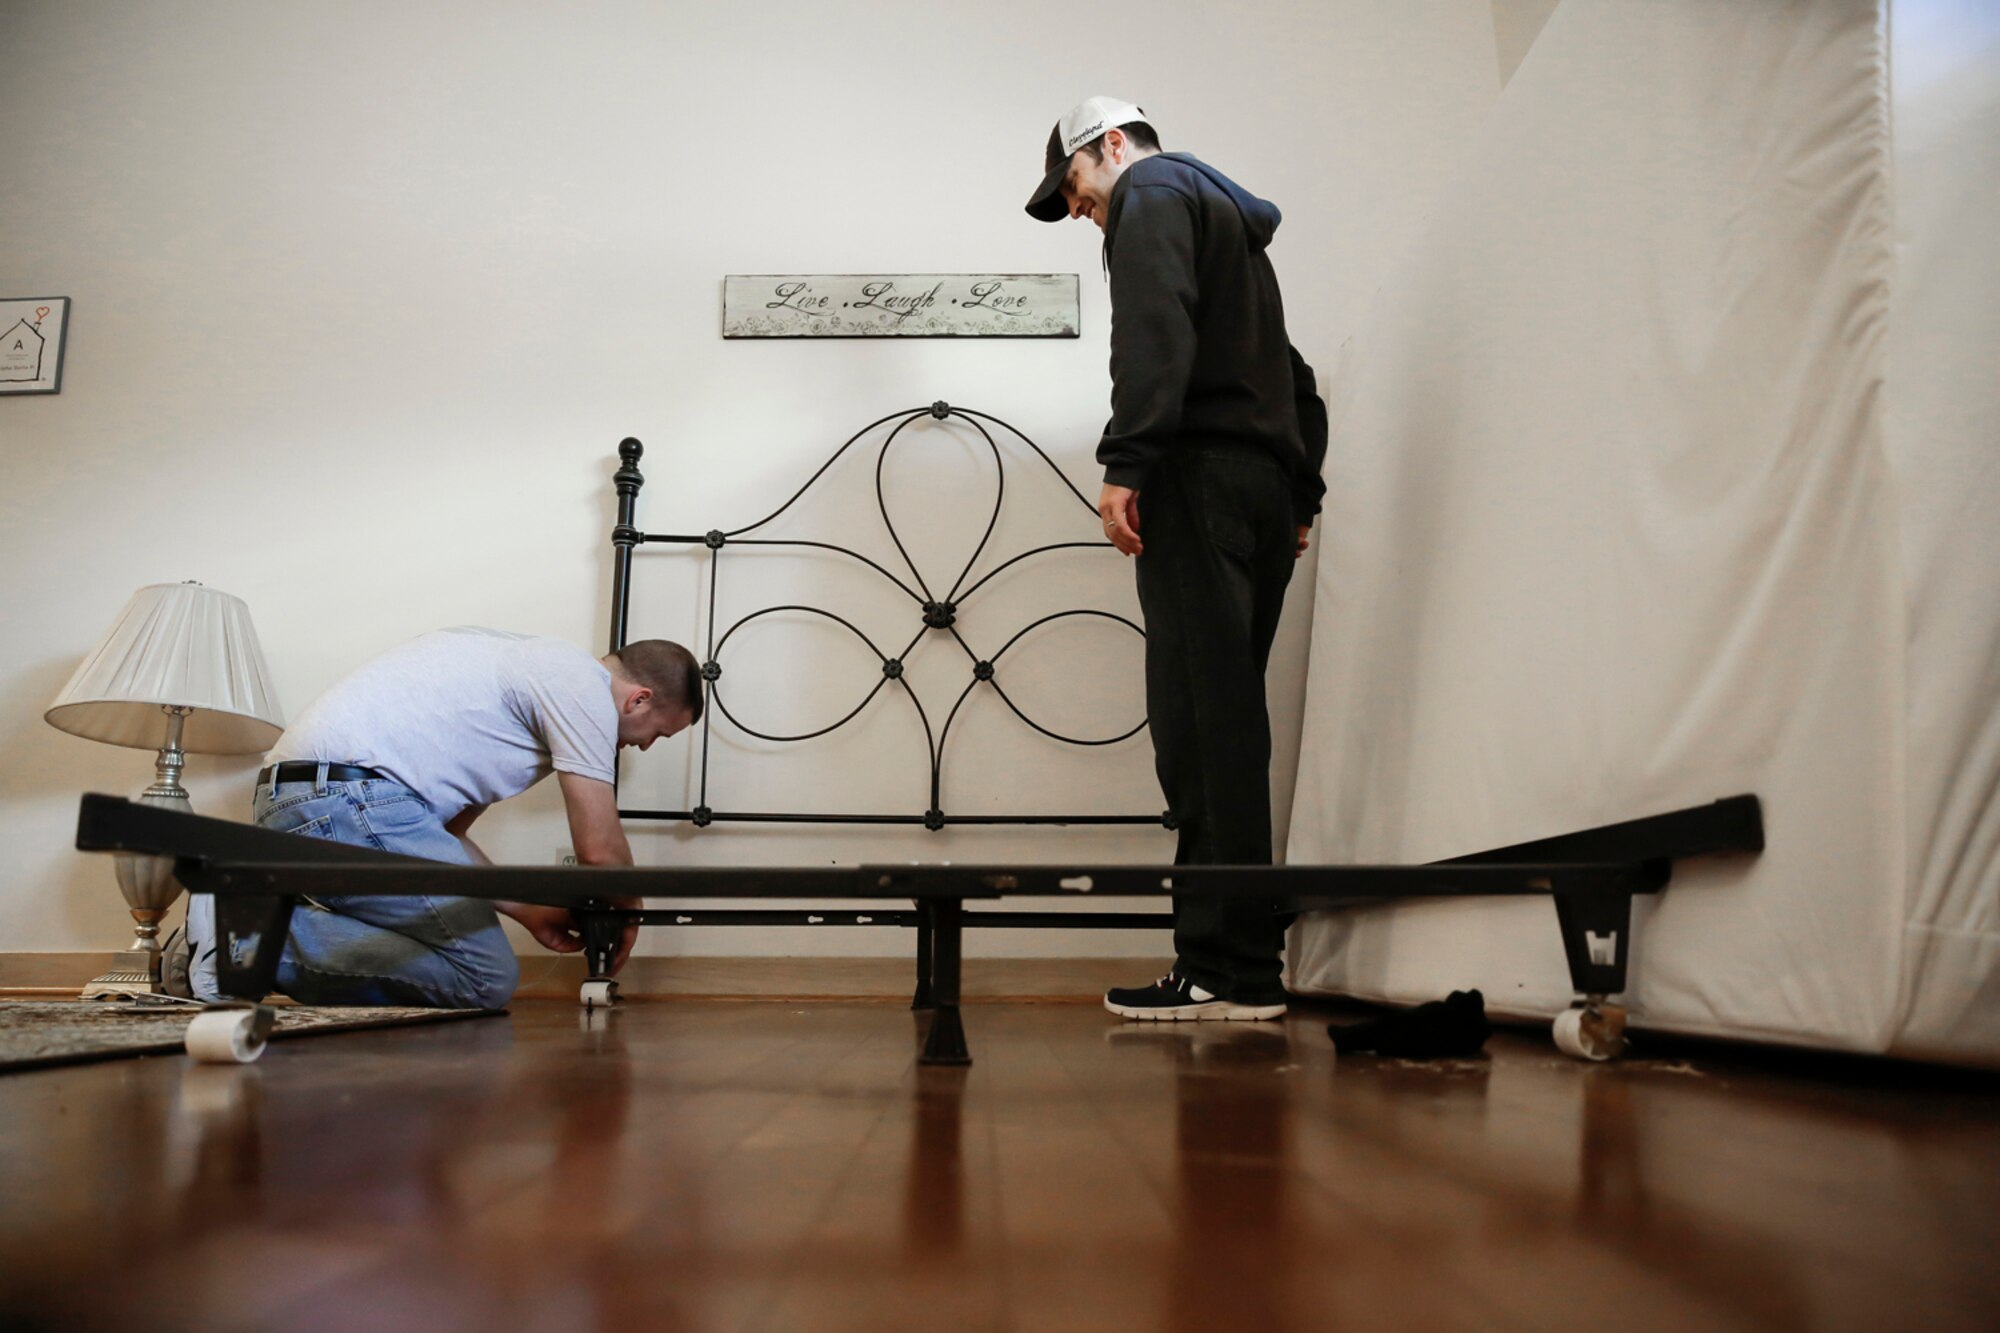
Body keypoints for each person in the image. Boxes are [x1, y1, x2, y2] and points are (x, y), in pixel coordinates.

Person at [1024, 96, 1329, 1021]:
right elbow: (1296, 378)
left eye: (1074, 190)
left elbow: (1152, 333)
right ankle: (1244, 968)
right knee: (1229, 726)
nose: (1080, 212)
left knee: (1200, 731)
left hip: (1196, 483)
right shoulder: (1233, 230)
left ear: (1109, 144)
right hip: (1261, 496)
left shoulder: (1152, 190)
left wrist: (1128, 462)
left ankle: (1224, 973)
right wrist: (1300, 491)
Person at [178, 627, 702, 1008]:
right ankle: (238, 936)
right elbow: (599, 851)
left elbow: (446, 838)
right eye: (658, 733)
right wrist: (631, 911)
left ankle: (237, 932)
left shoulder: (526, 670)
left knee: (464, 963)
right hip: (349, 800)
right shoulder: (581, 684)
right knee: (483, 978)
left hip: (304, 803)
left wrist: (527, 909)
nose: (645, 747)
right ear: (639, 698)